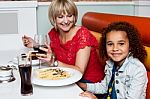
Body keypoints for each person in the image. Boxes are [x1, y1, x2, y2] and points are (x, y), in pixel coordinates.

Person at [22, 0, 104, 83]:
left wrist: (54, 62)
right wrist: (35, 45)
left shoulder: (83, 34)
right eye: (60, 17)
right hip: (67, 77)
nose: (66, 21)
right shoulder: (54, 33)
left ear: (74, 16)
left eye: (69, 15)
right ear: (54, 18)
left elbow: (79, 71)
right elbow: (53, 55)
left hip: (88, 83)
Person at [78, 21, 148, 99]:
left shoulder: (137, 69)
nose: (115, 48)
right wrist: (83, 85)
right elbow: (104, 87)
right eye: (110, 44)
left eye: (121, 44)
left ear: (131, 45)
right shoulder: (110, 64)